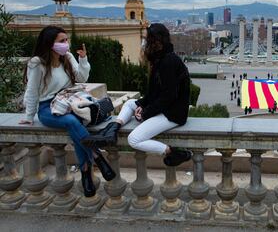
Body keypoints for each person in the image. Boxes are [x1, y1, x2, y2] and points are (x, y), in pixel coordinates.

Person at [19, 26, 115, 198]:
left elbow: (82, 78)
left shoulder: (67, 58)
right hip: (46, 108)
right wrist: (28, 116)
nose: (66, 44)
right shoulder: (37, 63)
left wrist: (83, 59)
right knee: (71, 122)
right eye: (62, 41)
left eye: (66, 40)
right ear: (50, 43)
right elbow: (32, 91)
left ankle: (85, 170)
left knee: (74, 124)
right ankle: (96, 155)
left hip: (68, 101)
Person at [82, 23, 191, 167]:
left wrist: (146, 113)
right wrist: (142, 104)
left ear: (156, 41)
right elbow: (153, 93)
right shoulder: (159, 59)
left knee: (134, 139)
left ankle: (172, 152)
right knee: (129, 103)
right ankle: (111, 131)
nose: (144, 43)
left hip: (173, 114)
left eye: (147, 39)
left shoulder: (168, 62)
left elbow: (168, 96)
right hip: (165, 108)